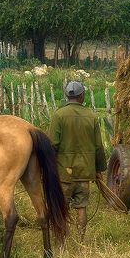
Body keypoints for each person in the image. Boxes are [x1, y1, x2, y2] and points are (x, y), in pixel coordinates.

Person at [48, 81, 106, 239]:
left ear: (67, 96)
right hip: (84, 173)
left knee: (62, 207)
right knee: (81, 207)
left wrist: (48, 169)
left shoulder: (58, 115)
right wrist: (99, 170)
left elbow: (52, 145)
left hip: (64, 173)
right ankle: (81, 238)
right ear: (82, 96)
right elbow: (98, 146)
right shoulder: (91, 116)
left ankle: (61, 239)